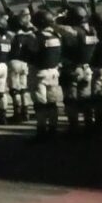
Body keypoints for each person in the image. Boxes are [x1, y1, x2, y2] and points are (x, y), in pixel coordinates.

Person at [57, 5, 98, 136]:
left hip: (72, 69)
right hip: (86, 68)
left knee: (71, 100)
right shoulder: (92, 31)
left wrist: (53, 21)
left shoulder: (74, 32)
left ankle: (73, 127)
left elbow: (65, 31)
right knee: (85, 98)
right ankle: (89, 124)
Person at [26, 9, 63, 140]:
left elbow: (30, 53)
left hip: (39, 72)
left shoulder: (34, 37)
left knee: (40, 105)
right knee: (52, 104)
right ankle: (53, 129)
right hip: (53, 72)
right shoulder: (56, 36)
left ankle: (41, 131)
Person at [7, 10, 33, 124]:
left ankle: (17, 113)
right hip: (25, 63)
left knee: (14, 90)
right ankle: (26, 111)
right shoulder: (31, 34)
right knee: (24, 88)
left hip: (14, 61)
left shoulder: (13, 34)